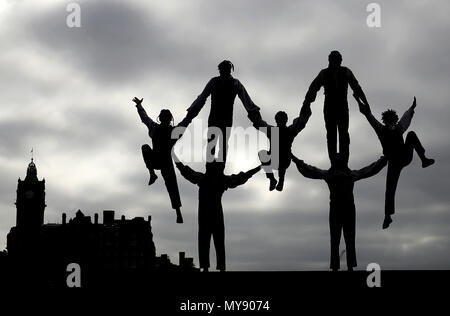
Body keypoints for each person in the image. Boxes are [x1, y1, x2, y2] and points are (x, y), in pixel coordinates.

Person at [292, 153, 387, 271]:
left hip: (339, 208)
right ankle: (347, 266)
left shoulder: (333, 175)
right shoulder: (348, 175)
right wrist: (384, 158)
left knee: (339, 238)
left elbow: (309, 170)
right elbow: (370, 169)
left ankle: (340, 266)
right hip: (346, 208)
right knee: (346, 238)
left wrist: (294, 159)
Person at [354, 95, 435, 229]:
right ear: (386, 122)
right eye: (389, 122)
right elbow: (369, 116)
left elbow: (406, 118)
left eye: (393, 121)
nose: (392, 124)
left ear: (394, 120)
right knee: (390, 188)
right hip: (393, 162)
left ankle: (424, 159)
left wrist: (412, 108)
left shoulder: (399, 128)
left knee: (411, 134)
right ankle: (387, 216)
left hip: (404, 156)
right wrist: (358, 100)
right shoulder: (381, 130)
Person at [175, 157, 261, 272]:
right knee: (217, 241)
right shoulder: (218, 180)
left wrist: (173, 155)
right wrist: (260, 167)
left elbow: (185, 170)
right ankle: (219, 268)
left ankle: (208, 267)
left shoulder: (203, 179)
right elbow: (243, 176)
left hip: (206, 214)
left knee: (206, 240)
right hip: (215, 214)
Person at [133, 97, 197, 224]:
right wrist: (193, 110)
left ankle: (178, 213)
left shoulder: (156, 128)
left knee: (172, 186)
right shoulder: (170, 131)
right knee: (172, 186)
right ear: (168, 119)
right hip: (163, 161)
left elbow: (145, 118)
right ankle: (152, 174)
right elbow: (185, 121)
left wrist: (139, 106)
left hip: (161, 161)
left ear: (161, 118)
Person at [301, 50, 369, 164]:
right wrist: (306, 103)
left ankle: (344, 163)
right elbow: (313, 88)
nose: (337, 61)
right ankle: (333, 163)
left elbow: (357, 87)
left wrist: (366, 103)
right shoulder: (324, 73)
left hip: (342, 107)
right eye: (334, 59)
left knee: (343, 135)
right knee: (331, 135)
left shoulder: (346, 71)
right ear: (329, 60)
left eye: (338, 59)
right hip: (329, 108)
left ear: (340, 60)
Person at [187, 60, 261, 162]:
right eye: (222, 70)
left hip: (224, 119)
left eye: (225, 70)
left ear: (229, 70)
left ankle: (219, 168)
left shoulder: (235, 83)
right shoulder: (216, 82)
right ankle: (210, 168)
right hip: (216, 118)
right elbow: (202, 97)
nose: (223, 72)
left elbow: (246, 100)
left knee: (222, 144)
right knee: (214, 144)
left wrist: (254, 113)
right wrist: (192, 111)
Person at [250, 107, 311, 191]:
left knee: (281, 154)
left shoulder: (285, 130)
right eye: (279, 120)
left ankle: (279, 180)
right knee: (262, 153)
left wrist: (307, 105)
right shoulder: (282, 130)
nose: (280, 121)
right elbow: (260, 124)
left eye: (280, 119)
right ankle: (273, 179)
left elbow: (260, 123)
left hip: (283, 160)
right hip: (276, 160)